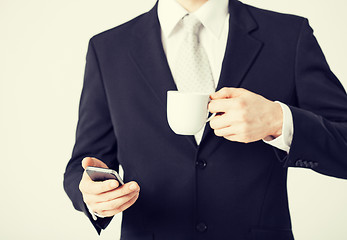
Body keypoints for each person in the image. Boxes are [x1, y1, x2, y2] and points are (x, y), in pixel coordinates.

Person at [63, 0, 347, 239]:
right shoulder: (108, 48)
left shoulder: (288, 35)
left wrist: (278, 120)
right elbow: (84, 162)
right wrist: (93, 194)